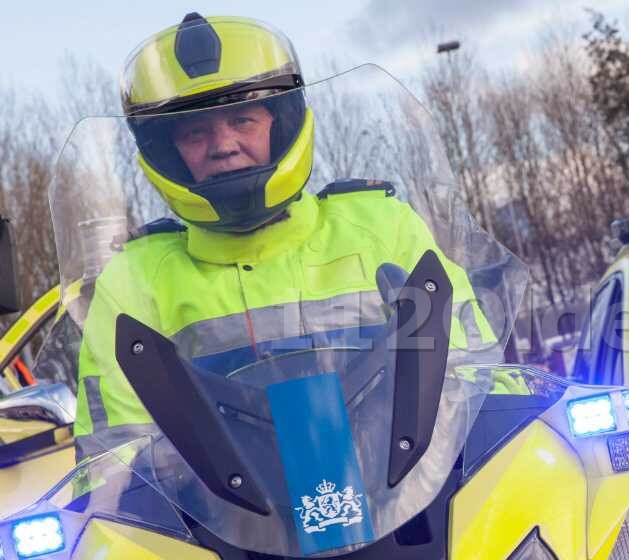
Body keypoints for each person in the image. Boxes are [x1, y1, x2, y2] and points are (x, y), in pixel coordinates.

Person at [72, 13, 490, 455]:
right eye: (196, 132)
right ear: (166, 151)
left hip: (412, 496)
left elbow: (474, 378)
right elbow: (115, 453)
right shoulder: (134, 281)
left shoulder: (383, 227)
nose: (223, 145)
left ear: (282, 120)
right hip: (223, 519)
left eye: (243, 121)